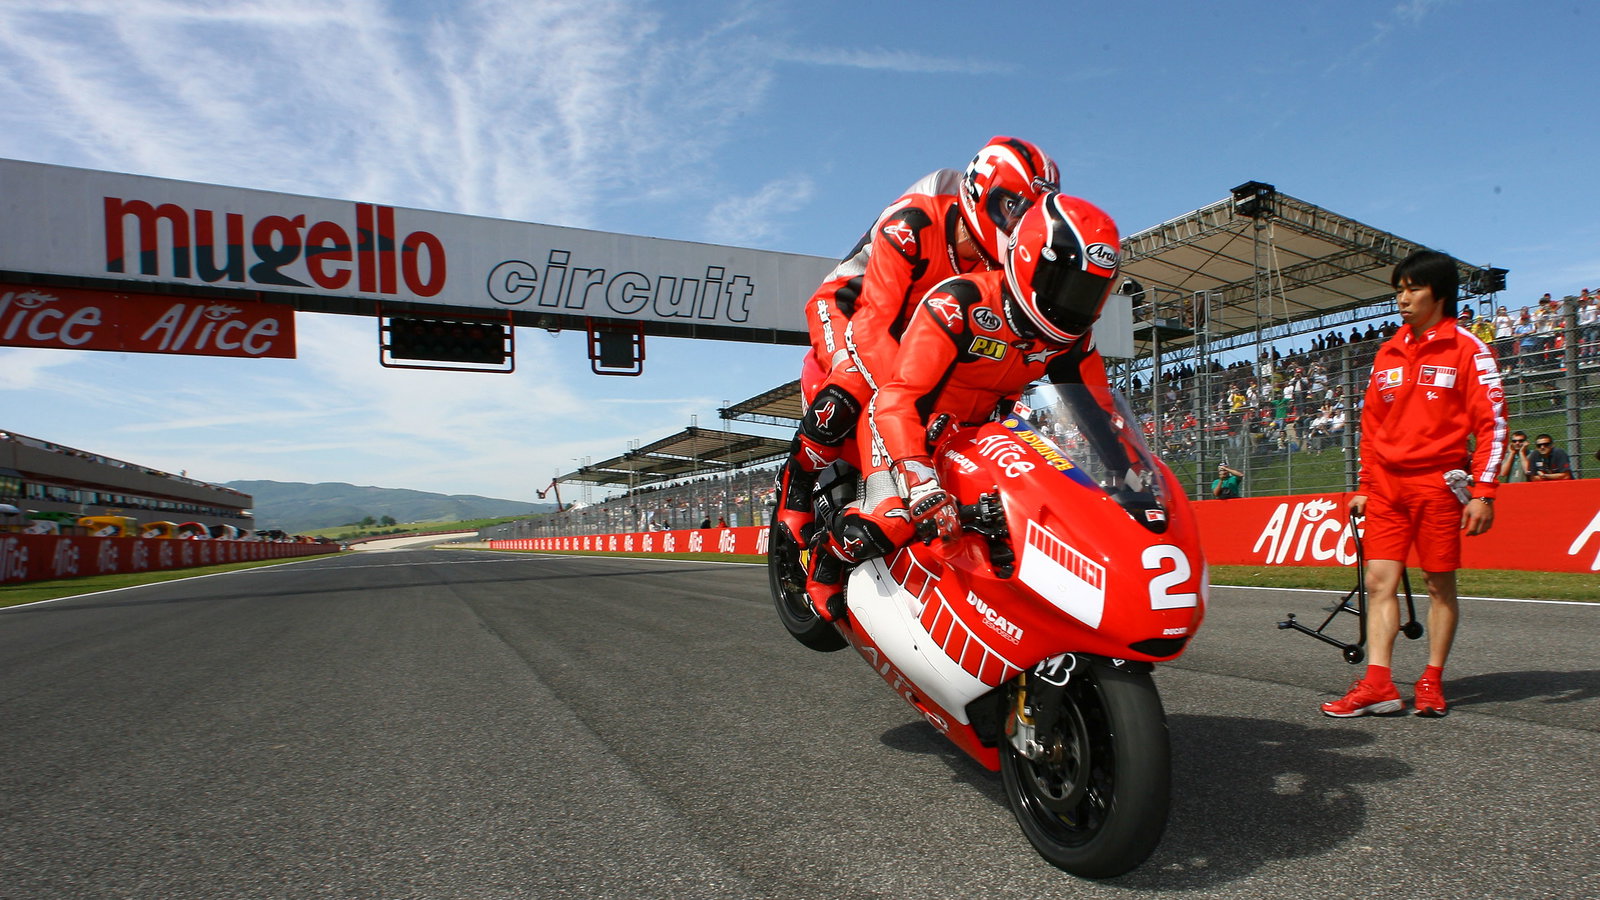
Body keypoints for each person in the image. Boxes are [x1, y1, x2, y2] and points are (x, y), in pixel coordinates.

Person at [804, 192, 1121, 621]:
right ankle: (826, 561)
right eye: (1064, 285)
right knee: (891, 523)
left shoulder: (1075, 342)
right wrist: (921, 483)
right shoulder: (961, 302)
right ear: (1028, 262)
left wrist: (1128, 475)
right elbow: (900, 400)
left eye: (1089, 292)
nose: (1073, 305)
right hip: (906, 425)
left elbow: (1101, 415)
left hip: (982, 436)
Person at [772, 137, 1060, 548]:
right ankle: (794, 488)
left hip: (910, 330)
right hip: (849, 309)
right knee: (859, 378)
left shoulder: (1006, 265)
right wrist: (910, 407)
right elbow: (873, 327)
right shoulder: (913, 224)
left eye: (1031, 215)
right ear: (981, 192)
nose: (1020, 225)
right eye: (1013, 208)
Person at [1321, 249, 1506, 719]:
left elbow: (1493, 426)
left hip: (1440, 485)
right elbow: (1371, 425)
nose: (1402, 298)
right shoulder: (1388, 351)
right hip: (1386, 487)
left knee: (1438, 584)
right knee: (1378, 581)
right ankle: (1378, 683)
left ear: (1439, 294)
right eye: (1398, 289)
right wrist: (1364, 483)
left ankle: (1431, 679)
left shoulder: (1468, 349)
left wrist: (1483, 492)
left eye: (1413, 289)